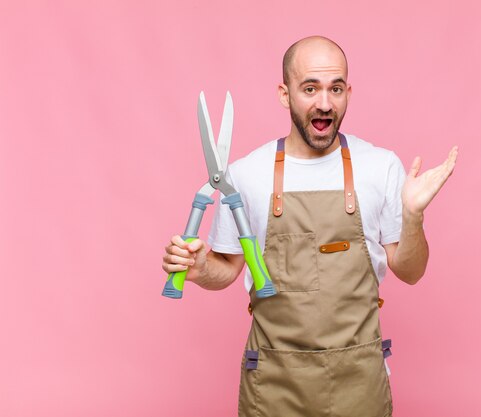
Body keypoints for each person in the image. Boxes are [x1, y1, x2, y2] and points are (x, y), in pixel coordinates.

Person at [162, 36, 458, 417]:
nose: (324, 103)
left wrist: (414, 217)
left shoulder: (380, 166)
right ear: (285, 94)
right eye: (310, 88)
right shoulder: (247, 174)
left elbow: (412, 271)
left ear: (348, 92)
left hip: (359, 383)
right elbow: (229, 268)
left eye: (335, 88)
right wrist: (202, 268)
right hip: (273, 385)